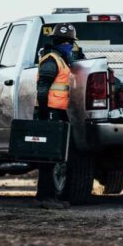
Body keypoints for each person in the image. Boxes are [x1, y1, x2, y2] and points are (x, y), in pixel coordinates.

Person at [34, 23, 81, 208]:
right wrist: (45, 113)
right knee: (48, 158)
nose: (68, 45)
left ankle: (49, 196)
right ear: (57, 42)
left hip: (57, 112)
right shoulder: (51, 60)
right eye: (66, 42)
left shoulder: (60, 59)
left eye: (69, 42)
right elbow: (43, 88)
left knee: (56, 157)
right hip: (50, 113)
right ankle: (44, 197)